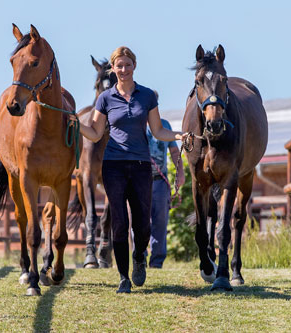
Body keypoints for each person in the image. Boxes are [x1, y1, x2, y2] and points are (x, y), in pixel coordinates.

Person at [74, 46, 187, 293]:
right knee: (120, 223)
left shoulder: (147, 96)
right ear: (112, 69)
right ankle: (124, 277)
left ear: (134, 66)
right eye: (119, 66)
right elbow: (94, 133)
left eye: (127, 65)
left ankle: (139, 258)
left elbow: (158, 131)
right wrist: (75, 124)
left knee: (142, 224)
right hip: (113, 166)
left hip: (140, 166)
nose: (123, 70)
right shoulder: (105, 99)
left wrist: (177, 134)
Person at [145, 107, 185, 268]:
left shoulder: (165, 125)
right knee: (139, 221)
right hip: (140, 181)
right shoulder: (137, 124)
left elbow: (174, 151)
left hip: (161, 182)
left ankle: (157, 261)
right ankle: (140, 257)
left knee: (161, 221)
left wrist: (180, 173)